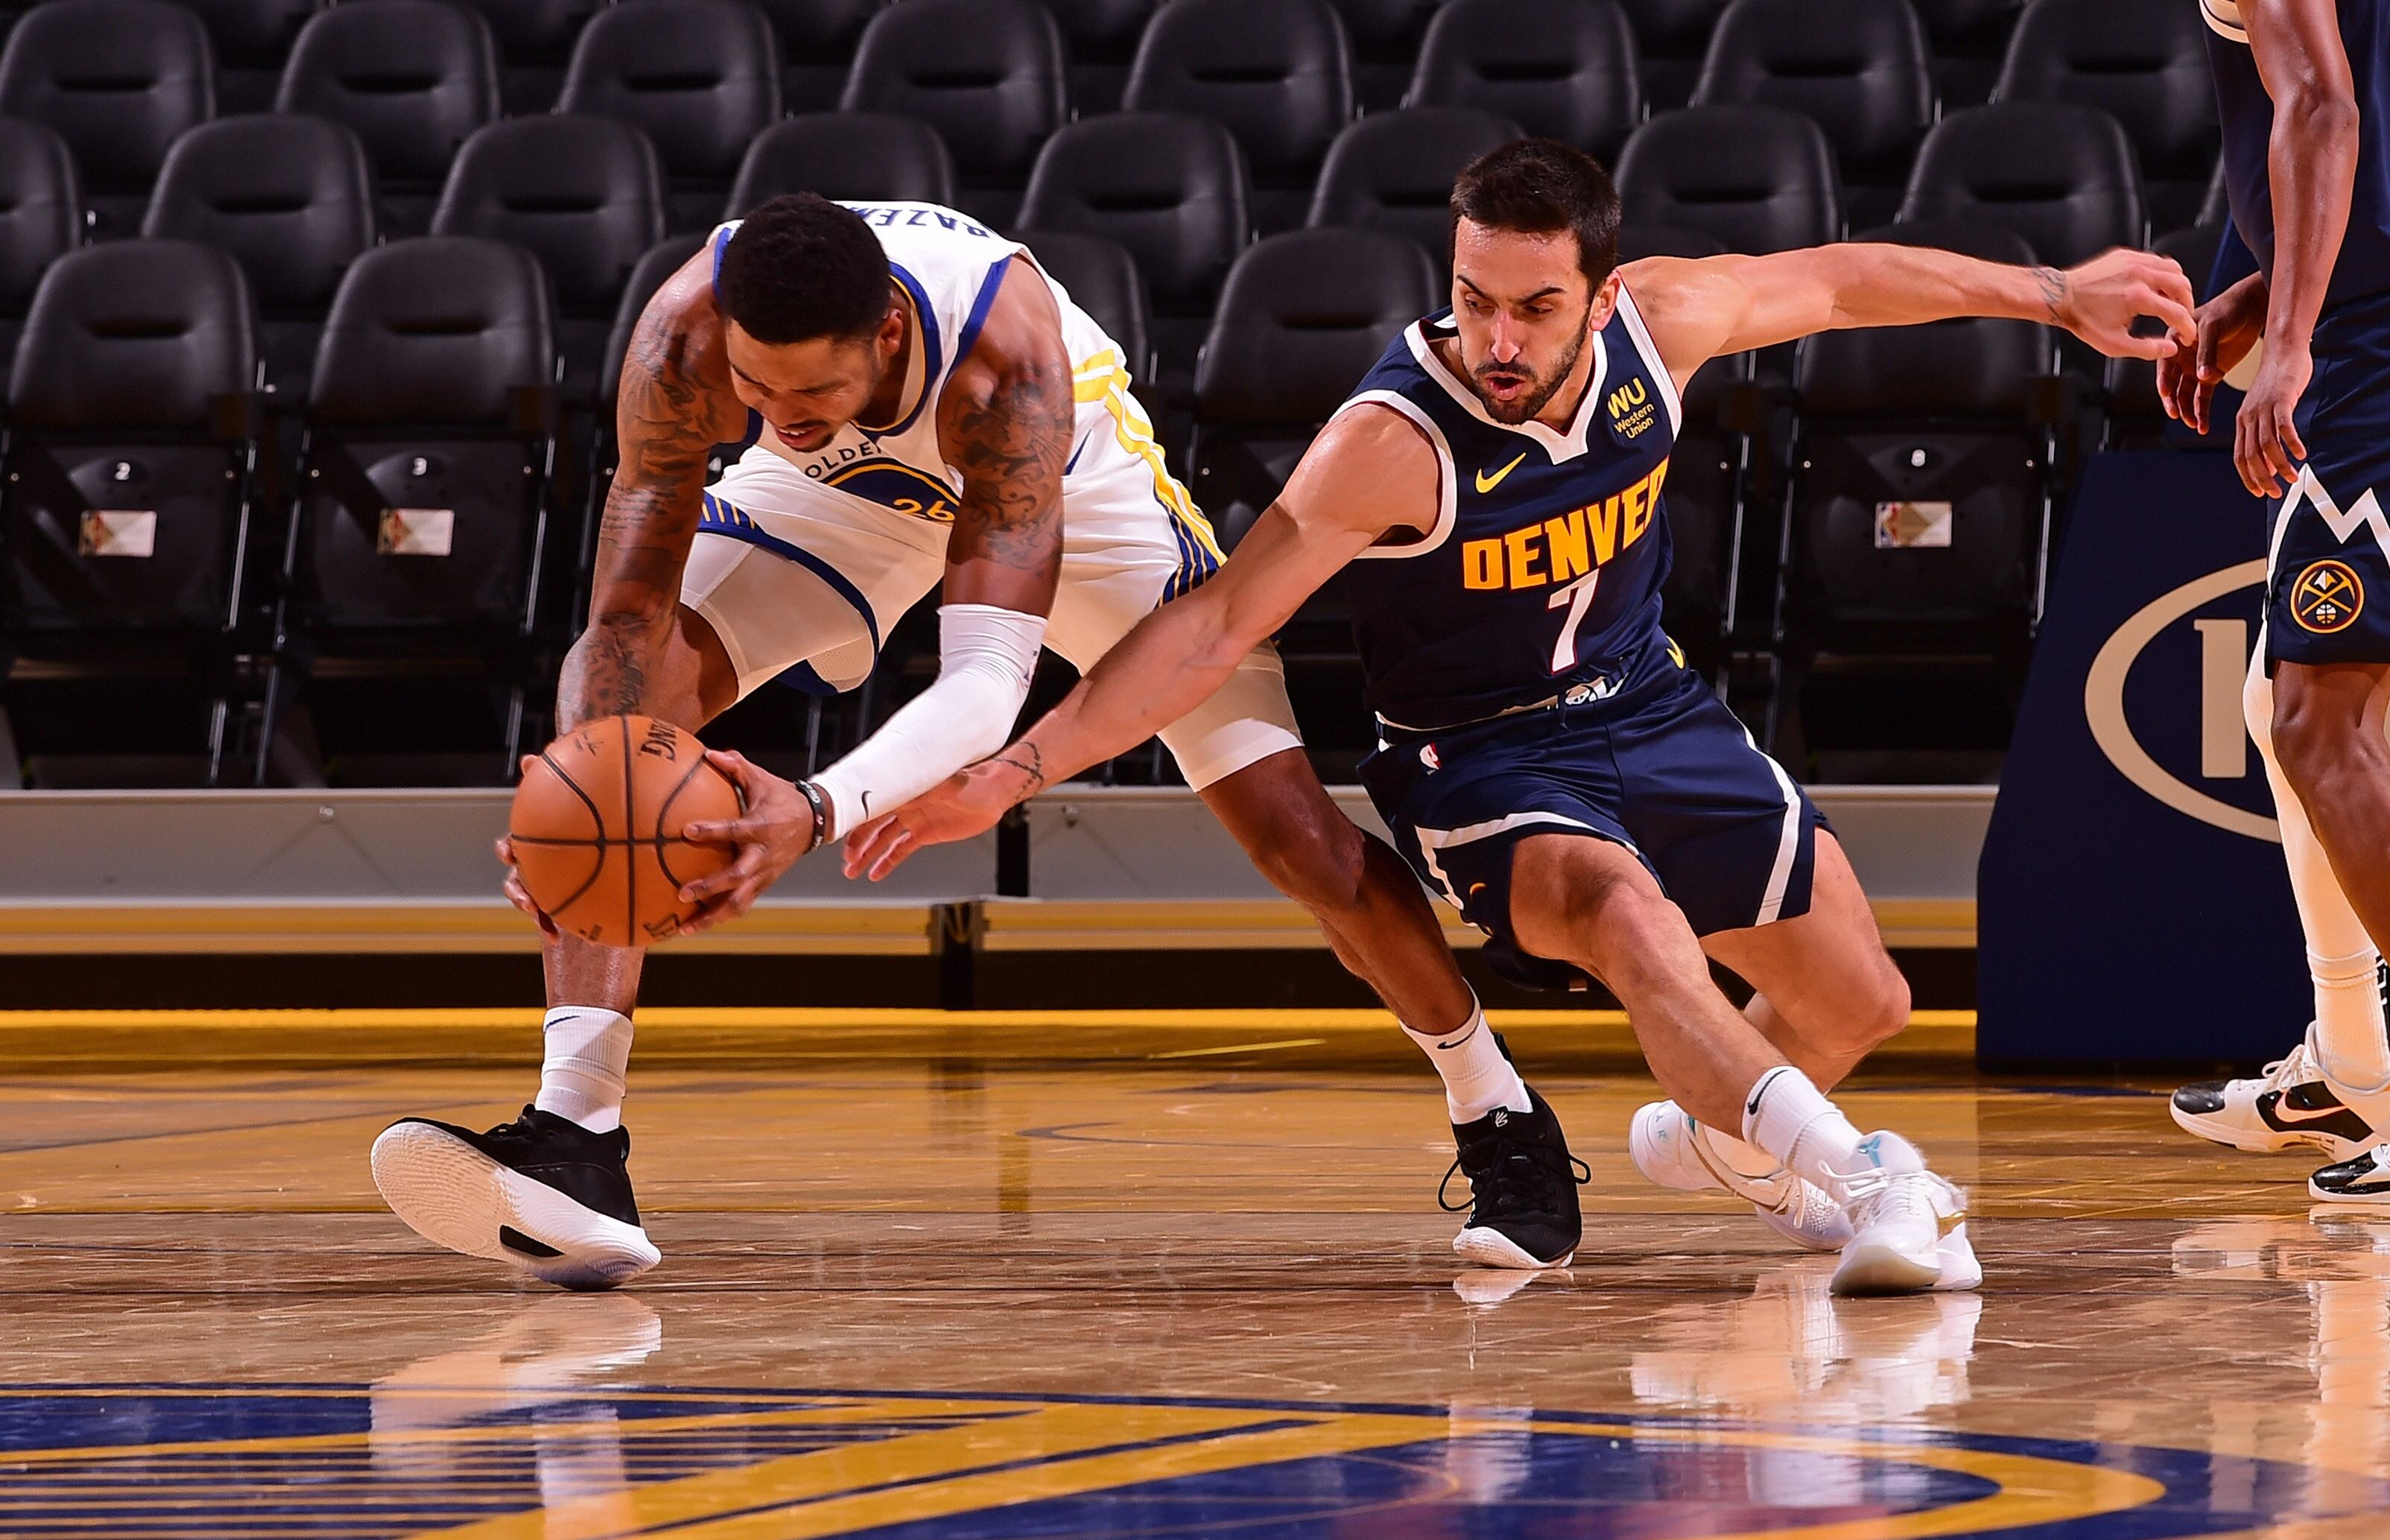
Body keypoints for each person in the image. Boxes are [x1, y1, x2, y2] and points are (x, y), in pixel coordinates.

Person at [837, 140, 2199, 1295]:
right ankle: (1872, 1178)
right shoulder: (1391, 438)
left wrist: (2056, 291)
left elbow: (1842, 280)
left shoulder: (1662, 327)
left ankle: (1719, 1138)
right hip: (1479, 758)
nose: (1496, 340)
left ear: (1601, 295)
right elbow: (1210, 626)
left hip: (1648, 703)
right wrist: (1013, 770)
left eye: (1535, 309)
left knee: (1866, 996)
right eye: (1474, 299)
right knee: (1631, 924)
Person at [368, 194, 1585, 1289]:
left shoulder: (1006, 365)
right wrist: (588, 785)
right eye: (760, 394)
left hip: (1079, 503)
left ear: (888, 338)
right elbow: (626, 613)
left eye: (812, 395)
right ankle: (577, 1134)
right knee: (630, 718)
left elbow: (988, 682)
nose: (780, 422)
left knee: (1296, 838)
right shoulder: (689, 333)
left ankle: (1499, 1112)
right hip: (849, 503)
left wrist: (817, 804)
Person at [2156, 0, 2390, 1201]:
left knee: (2315, 717)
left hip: (2369, 346)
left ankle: (2379, 1068)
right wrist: (2260, 285)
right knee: (2280, 701)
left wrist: (2291, 335)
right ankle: (2357, 1057)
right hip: (2355, 313)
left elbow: (2324, 104)